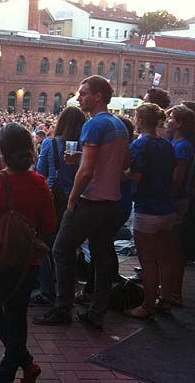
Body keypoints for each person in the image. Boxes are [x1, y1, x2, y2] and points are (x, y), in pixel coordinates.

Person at [34, 75, 130, 330]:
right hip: (113, 200)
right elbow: (124, 163)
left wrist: (72, 201)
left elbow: (85, 172)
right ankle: (97, 312)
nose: (79, 98)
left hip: (90, 200)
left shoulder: (94, 125)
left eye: (84, 93)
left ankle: (62, 308)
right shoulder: (118, 125)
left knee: (61, 249)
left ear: (98, 96)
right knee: (102, 256)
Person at [0, 123, 56, 383]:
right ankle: (26, 363)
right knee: (17, 315)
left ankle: (7, 374)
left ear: (2, 152)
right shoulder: (39, 183)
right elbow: (49, 225)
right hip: (27, 261)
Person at [124, 103, 176, 319]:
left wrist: (121, 171)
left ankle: (148, 305)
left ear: (140, 120)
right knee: (165, 258)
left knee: (147, 260)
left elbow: (135, 177)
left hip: (147, 209)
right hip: (168, 209)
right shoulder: (166, 145)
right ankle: (165, 300)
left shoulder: (140, 145)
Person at [33, 107, 86, 305]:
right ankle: (67, 288)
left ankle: (48, 292)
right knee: (70, 247)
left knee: (46, 246)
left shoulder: (51, 143)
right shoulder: (87, 146)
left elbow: (41, 174)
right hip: (79, 201)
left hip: (54, 201)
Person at [166, 104, 195, 307]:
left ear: (180, 123)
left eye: (171, 118)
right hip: (172, 201)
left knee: (174, 250)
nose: (167, 121)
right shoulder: (174, 142)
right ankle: (168, 290)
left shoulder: (183, 146)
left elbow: (177, 179)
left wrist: (166, 194)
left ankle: (175, 293)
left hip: (176, 202)